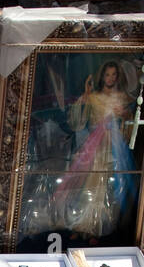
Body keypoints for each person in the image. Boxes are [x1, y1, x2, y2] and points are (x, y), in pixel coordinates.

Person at [51, 59, 137, 236]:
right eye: (107, 74)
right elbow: (78, 122)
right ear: (102, 76)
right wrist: (85, 96)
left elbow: (130, 124)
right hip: (95, 146)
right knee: (89, 183)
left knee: (110, 185)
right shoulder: (94, 97)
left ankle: (102, 224)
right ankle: (84, 222)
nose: (110, 78)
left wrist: (124, 116)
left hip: (114, 148)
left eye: (113, 75)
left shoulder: (122, 98)